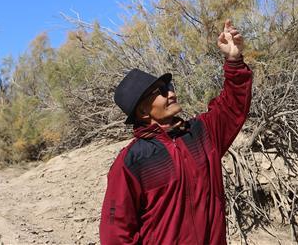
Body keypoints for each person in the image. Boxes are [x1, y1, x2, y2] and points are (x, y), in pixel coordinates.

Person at [99, 20, 253, 244]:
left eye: (169, 87)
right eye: (161, 91)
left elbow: (233, 106)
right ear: (143, 112)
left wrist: (234, 60)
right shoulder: (132, 162)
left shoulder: (201, 134)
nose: (171, 94)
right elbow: (116, 233)